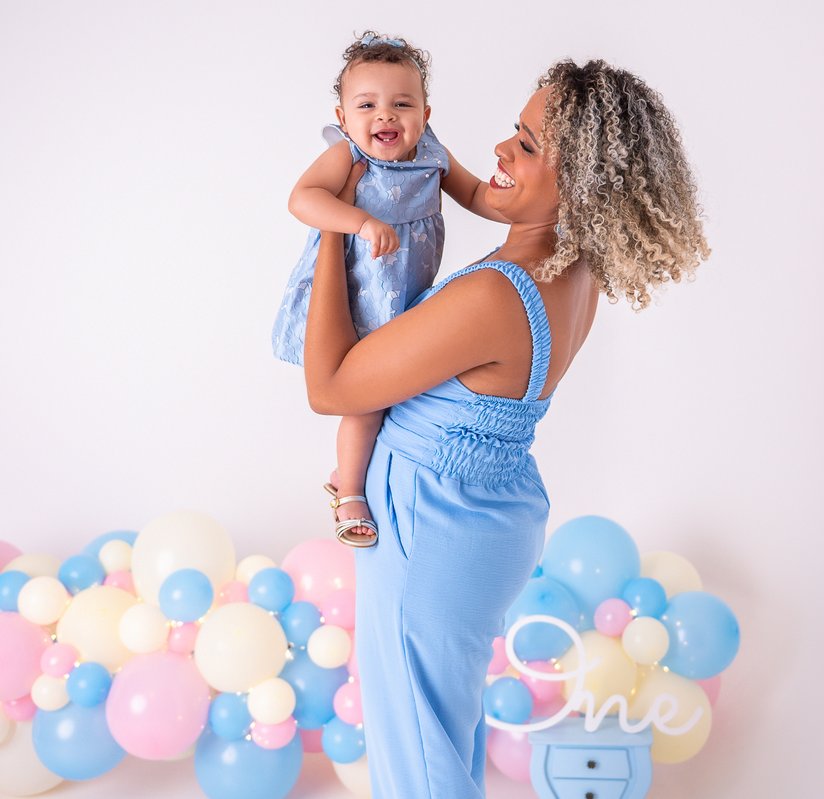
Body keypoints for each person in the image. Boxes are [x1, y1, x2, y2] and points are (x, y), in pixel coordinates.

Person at [302, 59, 710, 799]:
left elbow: (329, 386)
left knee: (417, 758)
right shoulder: (575, 271)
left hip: (431, 526)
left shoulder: (497, 293)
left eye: (526, 143)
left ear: (580, 183)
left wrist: (336, 225)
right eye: (514, 132)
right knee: (444, 737)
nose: (500, 149)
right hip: (488, 518)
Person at [272, 32, 506, 547]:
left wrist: (516, 210)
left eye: (402, 104)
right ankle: (349, 489)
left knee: (405, 390)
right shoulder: (348, 156)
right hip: (356, 295)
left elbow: (473, 193)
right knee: (366, 398)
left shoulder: (432, 153)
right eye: (367, 105)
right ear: (342, 117)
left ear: (425, 114)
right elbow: (302, 199)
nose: (385, 115)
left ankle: (364, 470)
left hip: (406, 295)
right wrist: (359, 221)